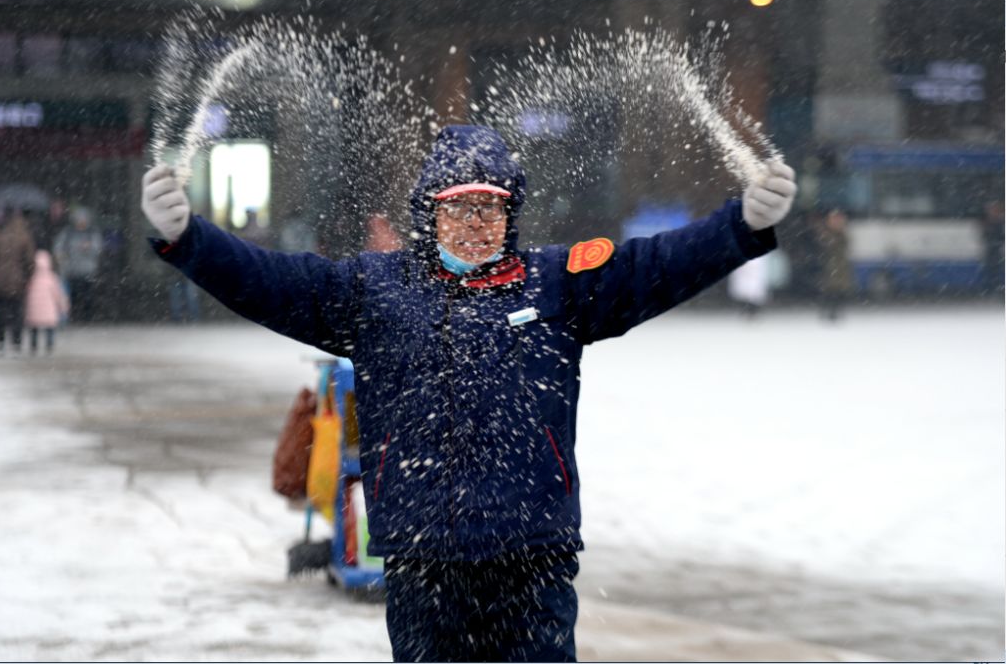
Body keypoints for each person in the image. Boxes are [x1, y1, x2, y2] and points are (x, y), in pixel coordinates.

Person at [141, 125, 798, 662]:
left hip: (531, 559)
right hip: (424, 564)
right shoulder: (377, 291)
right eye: (458, 204)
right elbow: (271, 281)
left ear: (511, 210)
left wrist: (739, 226)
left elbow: (655, 266)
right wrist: (189, 239)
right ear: (431, 212)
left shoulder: (555, 285)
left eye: (492, 204)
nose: (475, 220)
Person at [0, 206, 36, 356]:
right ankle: (16, 343)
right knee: (17, 313)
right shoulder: (23, 235)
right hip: (18, 281)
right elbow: (30, 260)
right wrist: (29, 277)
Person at [52, 206, 103, 323]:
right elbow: (58, 247)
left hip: (88, 271)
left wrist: (89, 247)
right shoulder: (68, 233)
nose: (81, 223)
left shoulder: (92, 233)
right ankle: (73, 316)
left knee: (88, 296)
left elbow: (98, 248)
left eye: (84, 221)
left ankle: (87, 317)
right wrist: (61, 256)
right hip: (72, 270)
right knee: (72, 296)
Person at [24, 249, 70, 355]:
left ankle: (34, 345)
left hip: (34, 312)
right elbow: (58, 294)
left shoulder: (31, 279)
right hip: (49, 312)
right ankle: (49, 345)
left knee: (34, 329)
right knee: (50, 329)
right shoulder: (52, 278)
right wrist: (63, 306)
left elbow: (26, 294)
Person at [815, 208, 854, 321]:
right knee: (829, 292)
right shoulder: (828, 234)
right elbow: (825, 246)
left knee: (838, 292)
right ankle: (829, 312)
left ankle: (835, 312)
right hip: (830, 268)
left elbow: (843, 247)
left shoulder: (842, 234)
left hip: (839, 268)